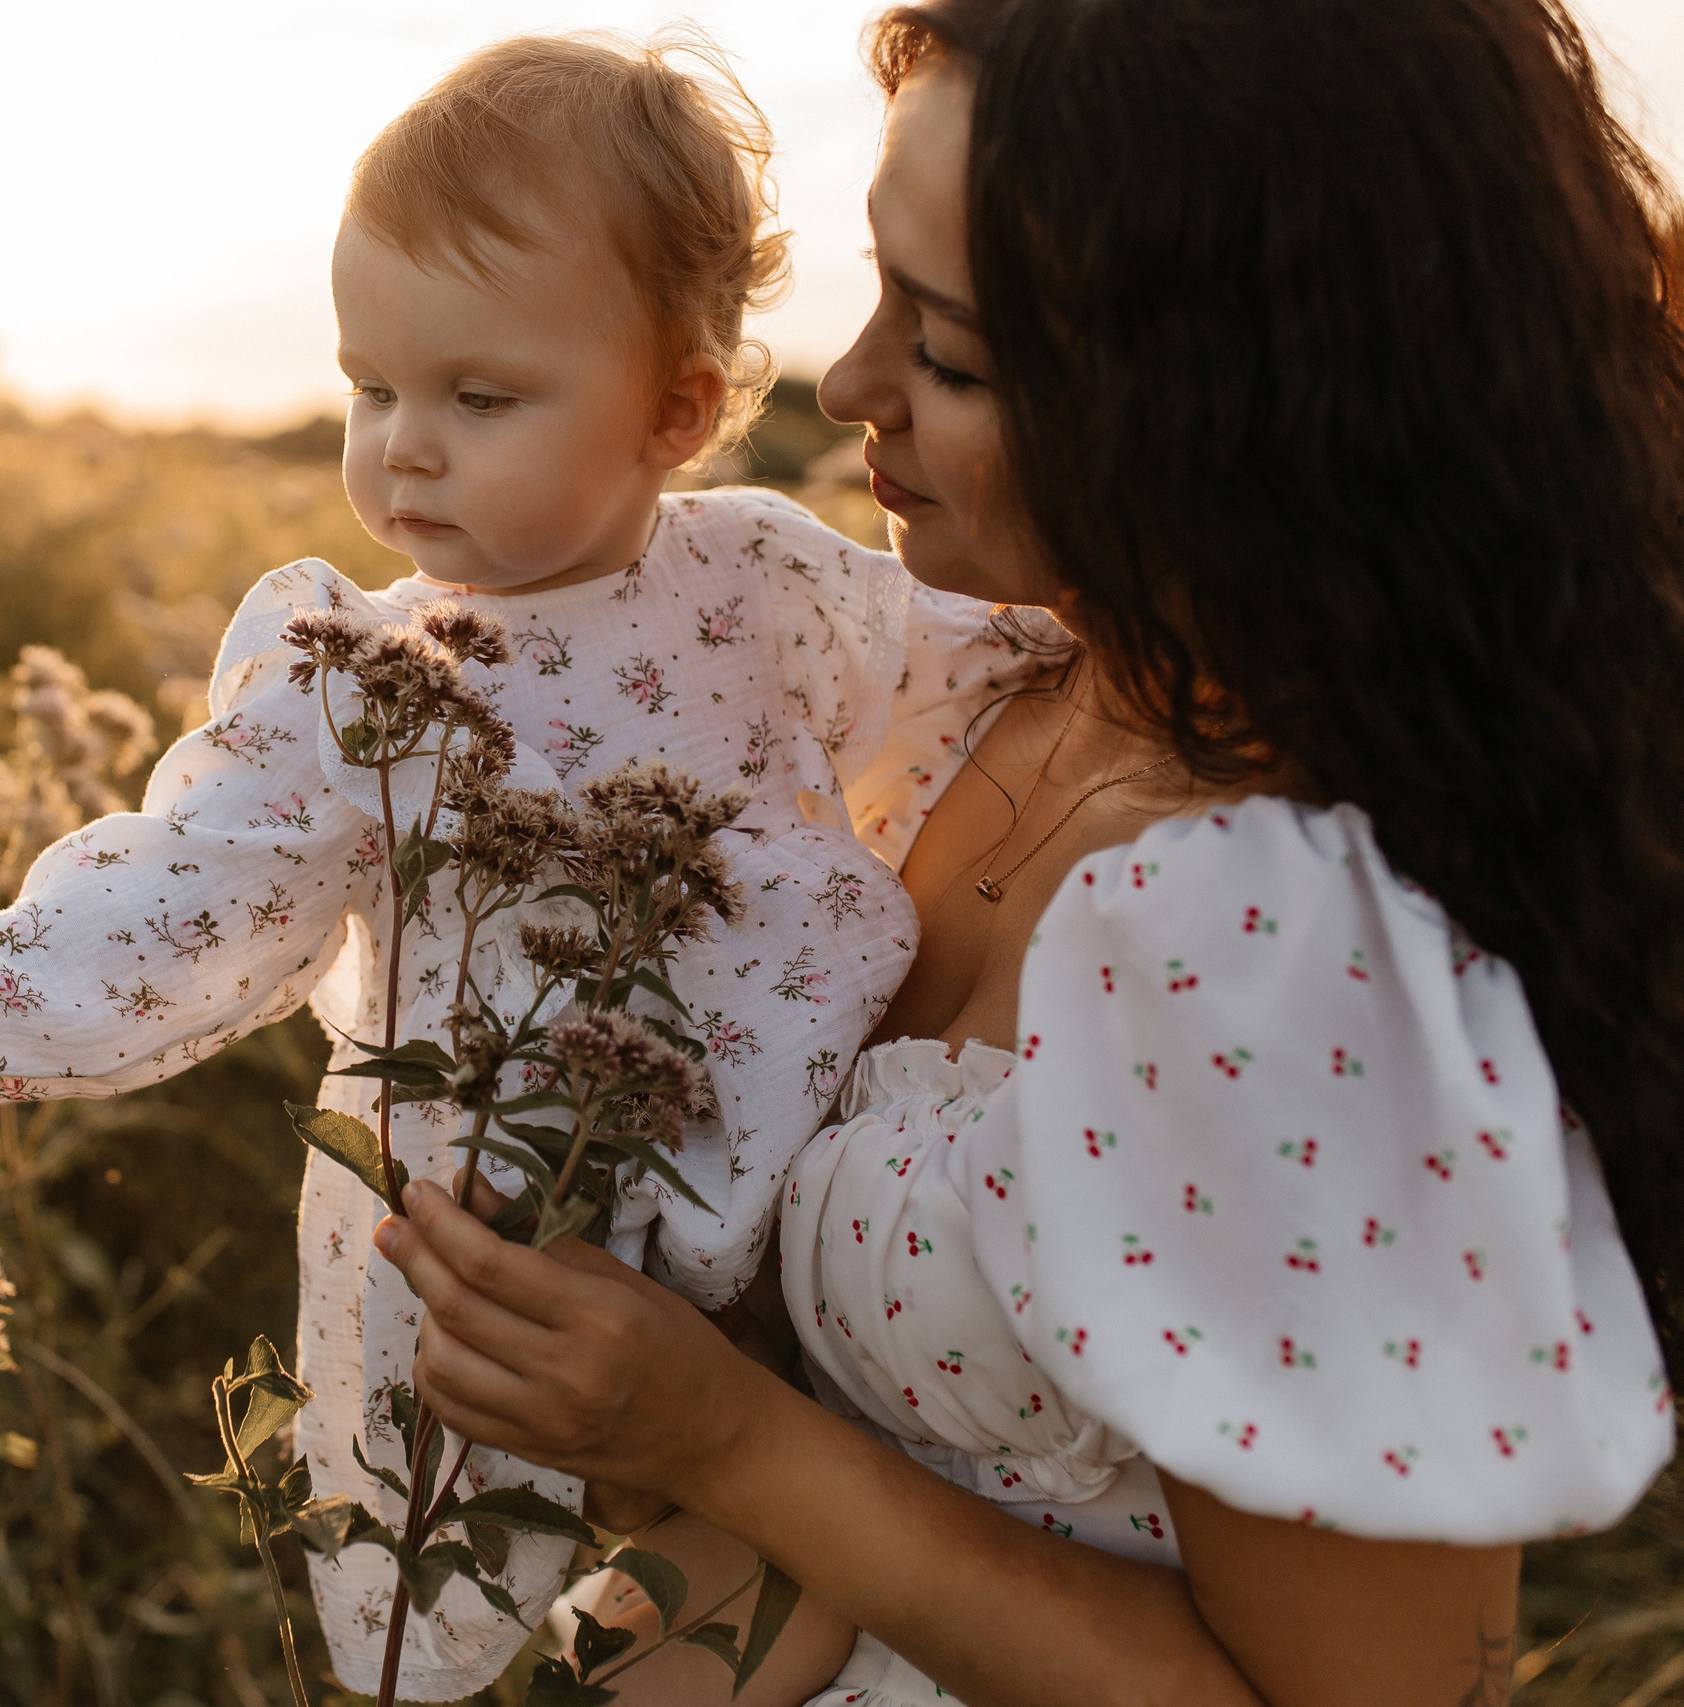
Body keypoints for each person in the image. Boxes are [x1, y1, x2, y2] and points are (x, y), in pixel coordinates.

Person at [0, 32, 1030, 1697]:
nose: (405, 449)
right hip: (514, 1252)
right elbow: (178, 896)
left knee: (808, 1595)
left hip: (789, 1234)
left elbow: (981, 665)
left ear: (677, 408)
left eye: (480, 398)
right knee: (610, 1635)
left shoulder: (765, 581)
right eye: (370, 388)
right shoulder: (367, 681)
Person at [373, 1, 1684, 1702]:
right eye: (880, 294)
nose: (849, 386)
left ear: (1232, 399)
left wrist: (719, 1434)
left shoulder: (1311, 972)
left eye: (951, 353)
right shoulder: (968, 694)